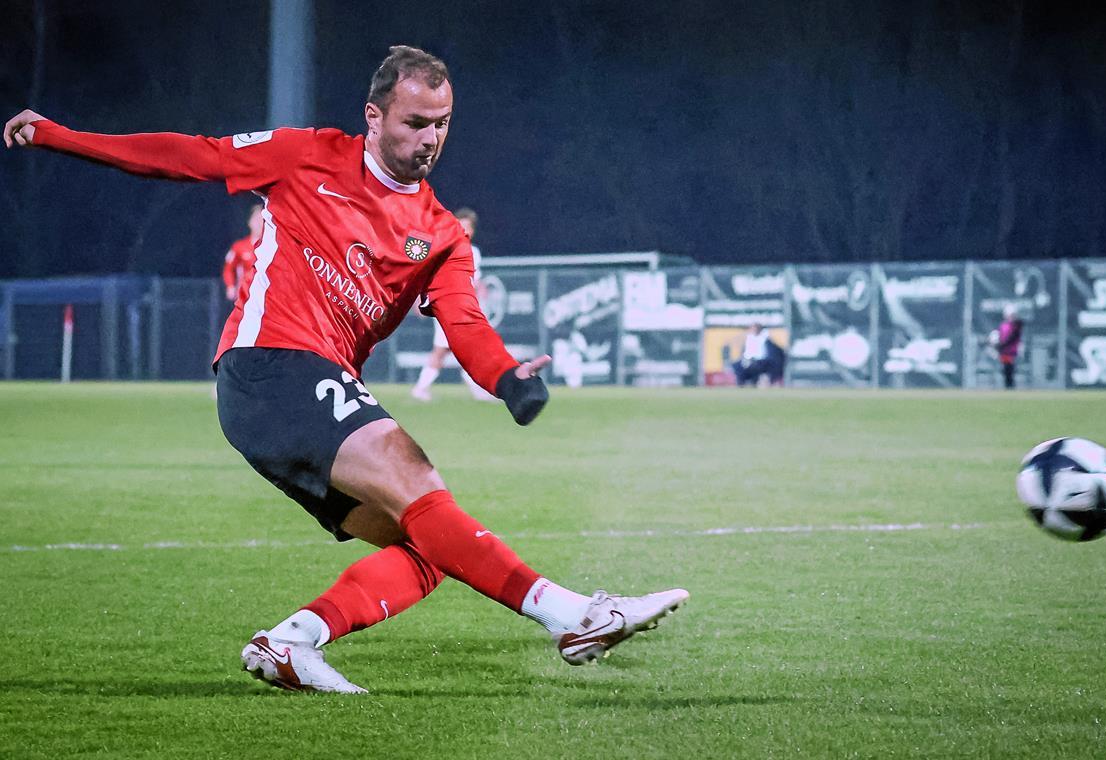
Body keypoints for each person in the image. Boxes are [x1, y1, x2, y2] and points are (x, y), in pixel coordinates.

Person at [5, 45, 687, 694]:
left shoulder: (442, 233)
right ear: (375, 116)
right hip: (270, 364)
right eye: (416, 122)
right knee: (419, 480)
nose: (430, 138)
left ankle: (292, 642)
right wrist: (61, 136)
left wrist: (509, 379)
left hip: (309, 390)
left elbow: (466, 325)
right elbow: (190, 157)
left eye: (442, 124)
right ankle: (571, 616)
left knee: (431, 547)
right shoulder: (308, 156)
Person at [411, 206, 495, 402]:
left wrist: (480, 288)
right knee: (443, 349)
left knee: (466, 347)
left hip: (464, 307)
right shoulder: (443, 248)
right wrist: (419, 299)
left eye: (469, 227)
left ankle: (474, 386)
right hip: (446, 306)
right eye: (462, 225)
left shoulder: (474, 252)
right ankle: (421, 388)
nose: (466, 230)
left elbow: (473, 279)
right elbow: (427, 275)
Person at [221, 204, 265, 302]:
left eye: (262, 220)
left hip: (265, 296)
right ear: (249, 222)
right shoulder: (239, 247)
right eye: (256, 220)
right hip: (244, 296)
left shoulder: (270, 247)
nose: (259, 224)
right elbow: (228, 269)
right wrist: (230, 286)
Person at [996, 304, 1023, 389]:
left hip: (1012, 351)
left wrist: (1003, 344)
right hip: (1004, 351)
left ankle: (1010, 386)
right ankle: (1008, 386)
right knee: (1006, 369)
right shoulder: (1003, 325)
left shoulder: (1016, 325)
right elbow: (1000, 336)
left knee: (1010, 369)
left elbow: (1013, 337)